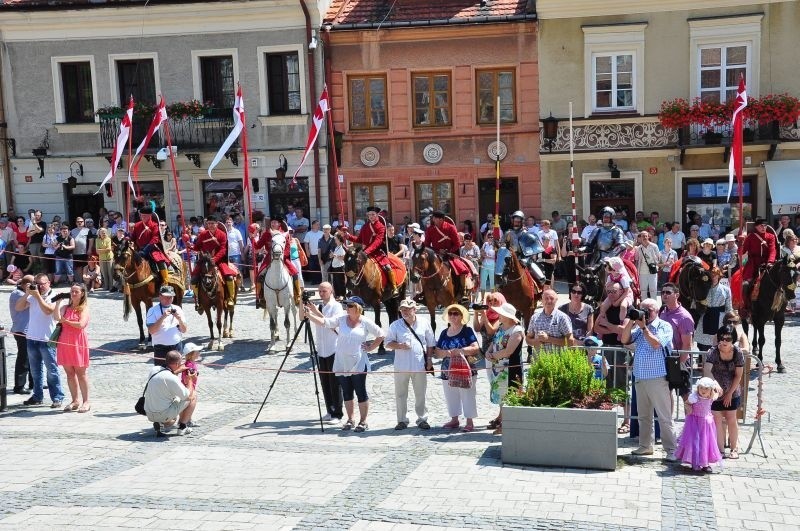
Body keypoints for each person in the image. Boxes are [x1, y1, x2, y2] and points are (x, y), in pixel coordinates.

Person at [302, 296, 384, 432]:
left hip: (358, 362)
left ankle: (363, 421)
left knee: (360, 391)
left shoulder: (365, 322)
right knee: (347, 392)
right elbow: (325, 322)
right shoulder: (341, 319)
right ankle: (350, 419)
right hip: (341, 361)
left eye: (350, 306)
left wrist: (371, 347)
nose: (347, 308)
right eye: (346, 305)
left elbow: (381, 334)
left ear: (358, 308)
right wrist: (309, 314)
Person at [620, 298, 678, 460]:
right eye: (642, 309)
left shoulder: (664, 326)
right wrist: (631, 321)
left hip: (658, 378)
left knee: (664, 416)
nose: (645, 313)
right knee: (644, 416)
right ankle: (645, 446)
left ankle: (671, 450)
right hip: (640, 377)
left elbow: (656, 344)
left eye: (648, 310)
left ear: (657, 311)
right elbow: (624, 340)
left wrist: (644, 327)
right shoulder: (638, 328)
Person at [15, 273, 65, 408]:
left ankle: (57, 397)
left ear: (49, 283)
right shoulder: (33, 294)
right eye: (37, 284)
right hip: (32, 337)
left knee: (52, 371)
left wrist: (37, 296)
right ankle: (37, 396)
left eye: (42, 284)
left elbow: (48, 311)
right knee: (35, 371)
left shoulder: (54, 295)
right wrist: (27, 294)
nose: (40, 286)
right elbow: (18, 307)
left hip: (48, 339)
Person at [385, 298, 435, 431]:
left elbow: (430, 343)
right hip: (401, 366)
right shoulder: (395, 325)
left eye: (407, 309)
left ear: (415, 309)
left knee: (420, 394)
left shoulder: (424, 323)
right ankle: (402, 420)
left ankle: (422, 419)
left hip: (419, 365)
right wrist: (399, 345)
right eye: (402, 310)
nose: (405, 312)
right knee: (400, 394)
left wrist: (429, 359)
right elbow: (387, 343)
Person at [434, 304, 482, 432]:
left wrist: (460, 350)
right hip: (447, 369)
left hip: (465, 368)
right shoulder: (444, 332)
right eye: (450, 313)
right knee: (450, 394)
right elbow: (437, 352)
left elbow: (475, 348)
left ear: (461, 316)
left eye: (456, 313)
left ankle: (469, 421)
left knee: (467, 394)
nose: (453, 316)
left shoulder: (467, 331)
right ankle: (454, 419)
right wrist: (446, 353)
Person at [304, 282, 345, 421]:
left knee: (334, 383)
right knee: (324, 382)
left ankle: (338, 413)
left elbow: (332, 323)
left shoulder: (336, 306)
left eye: (324, 291)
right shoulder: (320, 306)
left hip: (333, 348)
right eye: (320, 291)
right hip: (321, 348)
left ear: (331, 291)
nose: (321, 293)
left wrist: (315, 313)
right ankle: (330, 409)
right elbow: (305, 319)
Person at [703, 325, 745, 460]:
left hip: (732, 390)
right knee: (717, 420)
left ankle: (734, 449)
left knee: (731, 418)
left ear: (733, 339)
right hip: (715, 391)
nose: (724, 341)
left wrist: (729, 393)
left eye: (728, 338)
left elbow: (739, 375)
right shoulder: (713, 352)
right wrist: (715, 385)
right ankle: (719, 450)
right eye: (722, 338)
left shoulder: (738, 353)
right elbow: (707, 370)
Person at [339, 206, 400, 298]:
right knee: (352, 264)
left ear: (377, 215)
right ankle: (352, 286)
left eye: (373, 214)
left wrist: (366, 251)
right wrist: (348, 236)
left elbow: (378, 242)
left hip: (377, 252)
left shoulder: (381, 227)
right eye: (369, 215)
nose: (371, 216)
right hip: (364, 252)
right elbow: (359, 239)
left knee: (387, 267)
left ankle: (393, 287)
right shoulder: (365, 226)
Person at [484, 302, 524, 435]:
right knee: (501, 396)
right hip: (498, 368)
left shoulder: (517, 331)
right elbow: (494, 341)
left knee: (509, 396)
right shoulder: (501, 328)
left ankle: (507, 425)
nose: (499, 315)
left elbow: (508, 351)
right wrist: (488, 352)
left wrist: (493, 356)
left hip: (510, 370)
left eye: (501, 314)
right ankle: (502, 422)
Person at [53, 283, 91, 413]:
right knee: (70, 374)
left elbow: (81, 324)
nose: (73, 294)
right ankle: (75, 400)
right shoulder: (65, 307)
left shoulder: (83, 308)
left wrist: (66, 321)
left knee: (81, 373)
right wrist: (58, 304)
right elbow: (56, 317)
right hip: (64, 341)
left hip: (78, 341)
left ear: (82, 294)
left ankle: (86, 402)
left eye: (76, 292)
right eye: (72, 291)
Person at [674, 377, 724, 472]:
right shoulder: (694, 397)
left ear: (710, 390)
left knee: (705, 443)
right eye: (701, 388)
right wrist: (688, 407)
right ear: (698, 388)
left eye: (706, 388)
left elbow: (719, 392)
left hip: (706, 424)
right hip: (694, 423)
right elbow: (687, 403)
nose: (703, 390)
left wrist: (716, 383)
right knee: (695, 443)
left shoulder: (711, 397)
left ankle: (705, 463)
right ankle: (695, 461)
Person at [144, 350, 197, 436]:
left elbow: (164, 378)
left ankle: (161, 423)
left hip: (149, 413)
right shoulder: (172, 378)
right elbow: (187, 396)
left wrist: (176, 371)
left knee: (171, 420)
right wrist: (190, 380)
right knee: (193, 394)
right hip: (163, 414)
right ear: (177, 364)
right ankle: (182, 426)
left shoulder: (154, 370)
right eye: (180, 363)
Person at [251, 215, 301, 307]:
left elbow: (287, 248)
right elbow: (257, 247)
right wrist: (253, 237)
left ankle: (297, 296)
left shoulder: (284, 234)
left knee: (295, 273)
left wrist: (282, 255)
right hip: (269, 258)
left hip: (283, 258)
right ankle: (260, 297)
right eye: (272, 222)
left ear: (279, 224)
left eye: (275, 222)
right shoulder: (266, 234)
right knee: (259, 275)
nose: (273, 224)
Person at [190, 216, 239, 310]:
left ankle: (230, 298)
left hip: (219, 261)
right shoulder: (203, 234)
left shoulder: (222, 234)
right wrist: (190, 246)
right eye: (209, 223)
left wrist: (215, 259)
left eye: (213, 223)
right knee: (193, 279)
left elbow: (223, 249)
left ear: (217, 224)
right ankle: (200, 301)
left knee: (229, 276)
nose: (211, 225)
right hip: (204, 261)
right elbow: (197, 247)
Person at [425, 210, 473, 303]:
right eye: (433, 218)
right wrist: (437, 251)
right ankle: (424, 293)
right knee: (424, 269)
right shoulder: (430, 229)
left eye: (434, 218)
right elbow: (427, 245)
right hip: (436, 255)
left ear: (441, 219)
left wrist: (448, 251)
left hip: (449, 255)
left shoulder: (450, 228)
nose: (433, 219)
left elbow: (457, 244)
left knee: (462, 269)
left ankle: (463, 293)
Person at [130, 206, 172, 287]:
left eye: (144, 216)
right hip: (139, 249)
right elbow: (133, 237)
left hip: (151, 248)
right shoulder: (137, 225)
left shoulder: (154, 225)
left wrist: (145, 250)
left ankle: (166, 281)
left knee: (160, 260)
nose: (142, 217)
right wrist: (128, 239)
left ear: (149, 215)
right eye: (141, 215)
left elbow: (155, 239)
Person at [146, 285, 188, 366]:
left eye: (170, 297)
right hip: (161, 348)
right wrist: (162, 317)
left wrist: (179, 319)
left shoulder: (178, 309)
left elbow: (184, 330)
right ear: (160, 296)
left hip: (176, 346)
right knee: (161, 373)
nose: (168, 299)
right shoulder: (152, 310)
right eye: (166, 297)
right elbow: (151, 331)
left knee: (176, 372)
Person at [504, 210, 545, 286]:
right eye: (515, 221)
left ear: (522, 222)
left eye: (518, 221)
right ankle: (499, 286)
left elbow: (533, 248)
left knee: (531, 266)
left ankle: (541, 279)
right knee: (501, 269)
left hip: (524, 257)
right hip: (511, 256)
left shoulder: (526, 234)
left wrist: (529, 255)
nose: (516, 223)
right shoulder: (508, 233)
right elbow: (502, 246)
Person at [694, 268, 733, 351]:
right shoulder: (703, 288)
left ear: (719, 276)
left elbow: (728, 307)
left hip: (720, 318)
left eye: (715, 275)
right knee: (703, 344)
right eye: (711, 275)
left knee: (718, 342)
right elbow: (695, 303)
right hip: (706, 316)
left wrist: (730, 320)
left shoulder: (726, 289)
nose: (713, 277)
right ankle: (702, 359)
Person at [9, 274, 35, 394]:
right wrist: (30, 293)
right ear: (25, 285)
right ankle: (19, 386)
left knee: (32, 357)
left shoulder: (24, 292)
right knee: (23, 358)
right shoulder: (17, 294)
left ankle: (33, 382)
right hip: (21, 330)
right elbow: (29, 304)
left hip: (29, 329)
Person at [526, 289, 573, 353]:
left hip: (557, 360)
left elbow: (570, 341)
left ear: (556, 300)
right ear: (542, 300)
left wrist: (548, 339)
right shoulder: (534, 318)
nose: (549, 301)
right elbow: (528, 338)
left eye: (551, 298)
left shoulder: (562, 318)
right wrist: (535, 342)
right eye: (546, 298)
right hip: (538, 361)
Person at [635, 231, 660, 299]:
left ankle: (654, 307)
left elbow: (659, 258)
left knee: (653, 290)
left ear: (648, 236)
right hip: (642, 272)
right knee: (643, 290)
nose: (644, 237)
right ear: (640, 238)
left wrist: (656, 266)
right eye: (643, 236)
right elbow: (636, 261)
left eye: (646, 236)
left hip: (653, 271)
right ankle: (643, 307)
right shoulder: (638, 248)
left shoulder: (654, 246)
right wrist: (637, 272)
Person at [70, 216, 94, 281]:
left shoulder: (88, 230)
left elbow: (91, 240)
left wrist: (89, 249)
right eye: (78, 222)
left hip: (85, 252)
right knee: (78, 267)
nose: (80, 223)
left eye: (81, 222)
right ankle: (80, 281)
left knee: (86, 267)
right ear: (76, 223)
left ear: (84, 222)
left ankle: (86, 282)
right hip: (76, 252)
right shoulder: (72, 231)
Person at [303, 220, 324, 284]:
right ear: (313, 225)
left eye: (319, 224)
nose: (318, 226)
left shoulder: (321, 233)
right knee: (312, 267)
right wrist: (307, 252)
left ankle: (320, 281)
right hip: (312, 253)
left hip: (320, 254)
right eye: (317, 224)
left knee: (320, 267)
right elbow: (306, 243)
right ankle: (314, 281)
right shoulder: (308, 233)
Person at [329, 233, 348, 300]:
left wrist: (335, 256)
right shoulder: (336, 247)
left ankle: (342, 295)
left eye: (336, 239)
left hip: (340, 267)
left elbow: (343, 258)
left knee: (341, 282)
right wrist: (332, 255)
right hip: (335, 266)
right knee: (335, 282)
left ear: (339, 239)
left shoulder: (342, 247)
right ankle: (337, 294)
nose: (335, 240)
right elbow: (334, 256)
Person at [479, 232, 496, 302]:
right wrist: (483, 255)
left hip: (492, 266)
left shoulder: (495, 245)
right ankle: (482, 299)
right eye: (489, 237)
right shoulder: (485, 244)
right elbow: (481, 252)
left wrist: (489, 257)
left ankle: (492, 298)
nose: (490, 238)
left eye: (491, 237)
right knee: (483, 282)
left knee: (492, 282)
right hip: (484, 265)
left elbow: (497, 256)